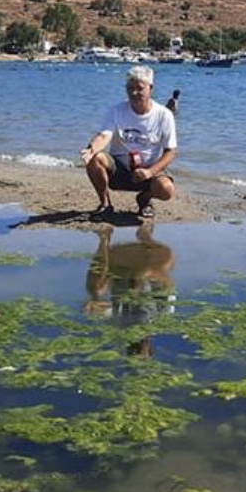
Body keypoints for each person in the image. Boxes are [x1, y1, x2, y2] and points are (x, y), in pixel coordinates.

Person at [80, 65, 177, 221]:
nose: (134, 93)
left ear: (150, 88)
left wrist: (150, 172)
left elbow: (170, 152)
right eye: (130, 88)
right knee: (96, 158)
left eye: (139, 88)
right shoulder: (116, 111)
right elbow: (104, 135)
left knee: (167, 190)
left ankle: (144, 200)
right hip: (120, 171)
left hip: (148, 171)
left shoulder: (164, 115)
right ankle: (105, 205)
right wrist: (92, 149)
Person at [84, 224, 176, 356]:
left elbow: (104, 311)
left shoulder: (119, 325)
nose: (136, 349)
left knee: (95, 291)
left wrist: (95, 306)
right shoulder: (160, 321)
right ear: (149, 348)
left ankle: (104, 238)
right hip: (145, 269)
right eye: (140, 352)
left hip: (120, 272)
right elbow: (166, 288)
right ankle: (145, 236)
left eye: (133, 351)